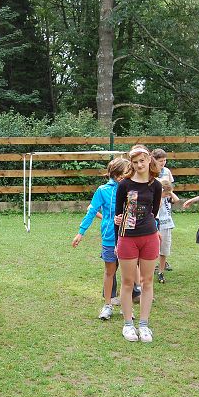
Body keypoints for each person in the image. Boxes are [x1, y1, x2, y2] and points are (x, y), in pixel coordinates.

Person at [72, 157, 131, 320]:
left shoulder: (131, 189)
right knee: (109, 272)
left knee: (128, 274)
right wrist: (81, 232)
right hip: (109, 238)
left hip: (128, 237)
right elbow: (91, 211)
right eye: (127, 172)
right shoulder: (102, 190)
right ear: (118, 175)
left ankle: (126, 306)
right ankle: (107, 305)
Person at [114, 145, 162, 343]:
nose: (139, 165)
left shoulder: (156, 185)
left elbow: (154, 212)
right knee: (127, 282)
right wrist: (117, 240)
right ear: (131, 164)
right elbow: (118, 215)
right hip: (127, 238)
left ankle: (143, 325)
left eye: (142, 160)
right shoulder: (124, 185)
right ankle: (128, 324)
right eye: (135, 162)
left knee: (147, 282)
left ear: (149, 159)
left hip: (149, 237)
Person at [156, 177, 178, 284]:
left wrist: (169, 192)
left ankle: (161, 271)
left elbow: (176, 200)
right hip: (158, 226)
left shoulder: (168, 198)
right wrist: (159, 193)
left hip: (167, 226)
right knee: (154, 250)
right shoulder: (157, 199)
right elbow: (159, 205)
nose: (168, 195)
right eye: (166, 193)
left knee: (164, 250)